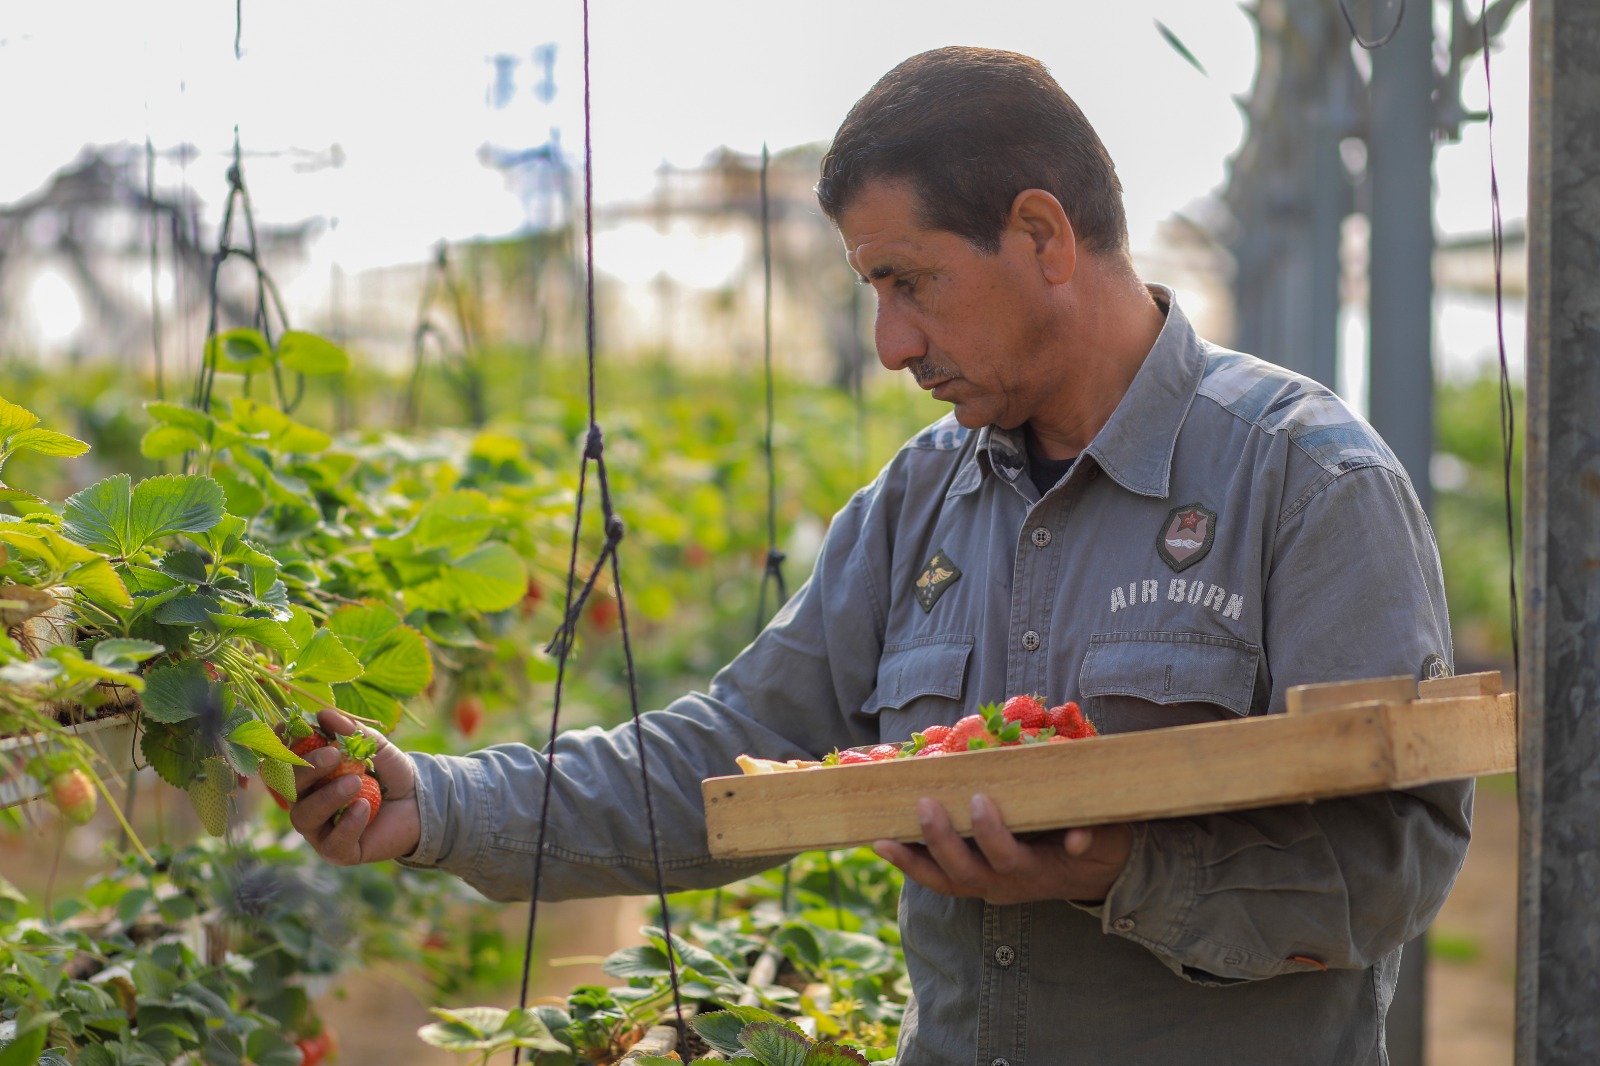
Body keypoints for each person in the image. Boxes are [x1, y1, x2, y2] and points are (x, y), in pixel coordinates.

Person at [290, 46, 1469, 1066]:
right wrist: (439, 803)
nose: (890, 340)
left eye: (909, 282)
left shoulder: (1303, 478)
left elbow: (1396, 858)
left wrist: (1117, 871)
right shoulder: (920, 500)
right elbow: (728, 754)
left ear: (1043, 234)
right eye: (873, 289)